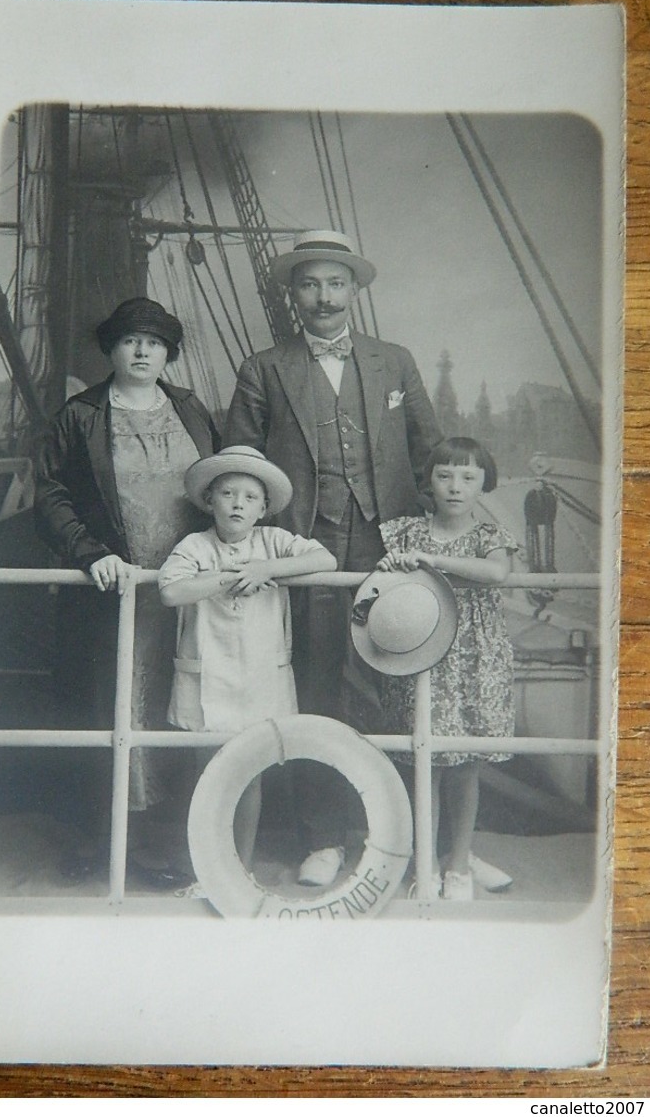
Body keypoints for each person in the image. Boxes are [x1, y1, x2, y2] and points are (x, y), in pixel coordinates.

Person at [224, 229, 442, 885]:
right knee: (318, 687)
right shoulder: (264, 367)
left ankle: (390, 835)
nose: (322, 297)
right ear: (291, 294)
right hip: (306, 552)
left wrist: (455, 526)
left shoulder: (393, 361)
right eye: (309, 284)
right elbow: (242, 458)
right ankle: (321, 838)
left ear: (353, 289)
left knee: (392, 686)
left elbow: (428, 446)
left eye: (334, 283)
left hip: (389, 548)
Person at [34, 297, 219, 887]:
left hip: (187, 593)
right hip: (112, 591)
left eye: (155, 343)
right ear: (111, 349)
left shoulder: (190, 410)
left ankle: (170, 844)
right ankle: (102, 840)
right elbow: (51, 495)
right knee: (110, 708)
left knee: (179, 709)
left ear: (168, 353)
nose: (142, 352)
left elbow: (221, 486)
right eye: (131, 341)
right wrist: (93, 554)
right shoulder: (81, 414)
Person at [158, 446, 336, 871]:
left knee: (250, 772)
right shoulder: (196, 545)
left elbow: (326, 558)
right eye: (227, 493)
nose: (238, 503)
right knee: (211, 774)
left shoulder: (273, 542)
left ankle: (240, 867)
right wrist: (224, 578)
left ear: (264, 508)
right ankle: (210, 866)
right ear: (209, 501)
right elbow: (170, 590)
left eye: (250, 497)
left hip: (259, 676)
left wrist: (265, 569)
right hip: (209, 677)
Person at [375, 437, 518, 900]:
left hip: (474, 658)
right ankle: (425, 866)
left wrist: (434, 561)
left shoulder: (489, 536)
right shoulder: (405, 534)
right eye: (445, 475)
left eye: (468, 477)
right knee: (426, 762)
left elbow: (496, 573)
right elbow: (381, 586)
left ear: (483, 484)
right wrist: (395, 567)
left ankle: (458, 864)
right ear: (429, 481)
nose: (455, 487)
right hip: (423, 656)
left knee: (466, 765)